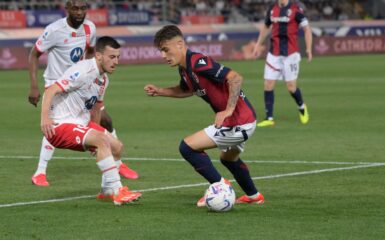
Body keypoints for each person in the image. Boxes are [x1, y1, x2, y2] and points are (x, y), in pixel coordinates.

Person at [144, 25, 264, 207]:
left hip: (238, 121)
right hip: (242, 121)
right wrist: (160, 91)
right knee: (228, 159)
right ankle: (254, 195)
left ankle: (219, 187)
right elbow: (186, 90)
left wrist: (229, 110)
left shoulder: (197, 62)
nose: (163, 56)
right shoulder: (185, 69)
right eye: (161, 51)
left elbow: (235, 78)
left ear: (179, 44)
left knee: (187, 147)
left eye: (165, 50)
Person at [28, 0, 138, 186]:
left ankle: (116, 161)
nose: (79, 12)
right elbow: (34, 54)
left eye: (83, 8)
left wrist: (90, 73)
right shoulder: (54, 30)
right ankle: (40, 171)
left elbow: (89, 53)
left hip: (82, 83)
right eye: (75, 8)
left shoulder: (90, 29)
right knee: (56, 124)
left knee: (105, 118)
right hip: (57, 85)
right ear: (67, 9)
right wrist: (33, 86)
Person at [40, 36, 141, 205]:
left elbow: (95, 109)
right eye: (112, 57)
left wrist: (94, 133)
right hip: (60, 124)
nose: (116, 61)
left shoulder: (103, 80)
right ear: (99, 56)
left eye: (118, 57)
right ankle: (118, 190)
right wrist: (45, 118)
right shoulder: (82, 70)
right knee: (102, 140)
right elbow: (51, 90)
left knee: (117, 146)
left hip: (81, 123)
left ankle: (107, 191)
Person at [252, 0, 312, 127]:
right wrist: (258, 45)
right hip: (274, 53)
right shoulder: (272, 9)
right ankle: (269, 118)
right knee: (268, 84)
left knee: (291, 87)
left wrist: (308, 48)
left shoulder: (296, 10)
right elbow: (266, 26)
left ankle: (302, 107)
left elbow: (307, 29)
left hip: (291, 55)